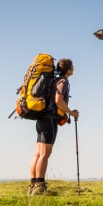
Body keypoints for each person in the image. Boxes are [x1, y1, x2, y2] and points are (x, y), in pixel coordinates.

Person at [28, 58, 79, 196]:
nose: (73, 68)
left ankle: (33, 186)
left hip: (41, 119)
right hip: (50, 120)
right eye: (72, 66)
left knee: (38, 153)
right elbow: (58, 100)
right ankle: (40, 187)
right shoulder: (62, 81)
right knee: (45, 154)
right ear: (68, 69)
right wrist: (71, 113)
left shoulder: (53, 80)